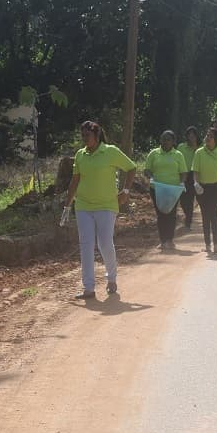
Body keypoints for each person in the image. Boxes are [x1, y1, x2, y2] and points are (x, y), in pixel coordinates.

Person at [64, 121, 136, 299]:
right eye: (83, 136)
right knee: (86, 246)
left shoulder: (110, 151)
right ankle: (88, 288)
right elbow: (75, 181)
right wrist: (67, 205)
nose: (85, 139)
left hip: (106, 205)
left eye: (87, 135)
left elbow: (131, 167)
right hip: (83, 206)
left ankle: (111, 277)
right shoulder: (80, 155)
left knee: (104, 243)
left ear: (97, 135)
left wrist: (125, 191)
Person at [144, 130, 187, 250]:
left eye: (168, 139)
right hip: (157, 188)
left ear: (173, 141)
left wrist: (182, 182)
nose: (166, 141)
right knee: (161, 214)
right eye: (163, 139)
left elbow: (183, 172)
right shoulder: (154, 153)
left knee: (171, 214)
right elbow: (147, 169)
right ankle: (163, 241)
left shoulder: (178, 154)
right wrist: (151, 177)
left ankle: (170, 240)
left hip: (173, 190)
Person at [191, 128, 217, 254]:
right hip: (203, 188)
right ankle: (208, 245)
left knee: (215, 216)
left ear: (216, 140)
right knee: (205, 217)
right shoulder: (199, 152)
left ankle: (216, 245)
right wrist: (196, 183)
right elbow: (195, 171)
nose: (207, 138)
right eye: (207, 135)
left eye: (211, 136)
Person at [177, 126, 201, 230]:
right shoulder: (181, 147)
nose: (191, 137)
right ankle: (187, 215)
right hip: (182, 174)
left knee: (190, 199)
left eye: (193, 135)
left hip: (194, 174)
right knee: (183, 200)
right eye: (189, 135)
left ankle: (188, 223)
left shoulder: (200, 148)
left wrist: (195, 146)